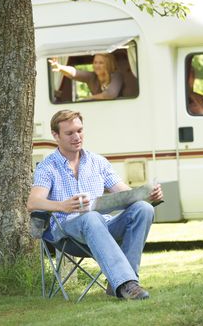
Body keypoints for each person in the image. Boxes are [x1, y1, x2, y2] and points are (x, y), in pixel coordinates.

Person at [27, 109, 163, 300]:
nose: (77, 137)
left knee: (143, 209)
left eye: (80, 131)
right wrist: (62, 206)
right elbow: (33, 202)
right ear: (55, 135)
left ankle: (126, 282)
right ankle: (125, 284)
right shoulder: (47, 166)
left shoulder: (98, 162)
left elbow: (125, 194)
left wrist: (148, 195)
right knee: (90, 217)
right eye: (70, 133)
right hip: (67, 235)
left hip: (103, 228)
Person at [49, 53, 124, 100]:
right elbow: (74, 73)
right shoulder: (92, 76)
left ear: (108, 64)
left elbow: (110, 94)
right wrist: (60, 67)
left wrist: (89, 98)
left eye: (101, 63)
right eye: (95, 62)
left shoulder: (117, 76)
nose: (96, 66)